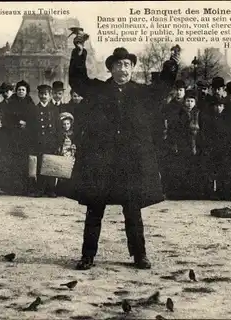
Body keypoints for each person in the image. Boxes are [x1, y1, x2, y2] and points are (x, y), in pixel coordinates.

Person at [68, 38, 177, 270]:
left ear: (132, 68)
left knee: (132, 210)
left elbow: (163, 88)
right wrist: (79, 53)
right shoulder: (98, 90)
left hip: (130, 163)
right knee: (95, 209)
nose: (123, 69)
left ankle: (139, 255)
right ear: (111, 68)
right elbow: (77, 81)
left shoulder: (141, 93)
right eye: (118, 65)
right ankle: (87, 256)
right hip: (101, 161)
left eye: (127, 65)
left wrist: (171, 65)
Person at [166, 90, 203, 199]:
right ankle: (182, 192)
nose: (189, 103)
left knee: (194, 167)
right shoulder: (178, 113)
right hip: (183, 143)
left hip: (196, 143)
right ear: (184, 102)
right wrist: (175, 143)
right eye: (187, 101)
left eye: (192, 101)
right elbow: (173, 129)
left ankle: (194, 192)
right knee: (183, 167)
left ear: (195, 102)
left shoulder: (198, 113)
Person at [4, 80, 36, 195]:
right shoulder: (11, 102)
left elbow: (34, 119)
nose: (21, 91)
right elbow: (6, 118)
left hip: (26, 137)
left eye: (23, 90)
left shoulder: (30, 103)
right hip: (13, 136)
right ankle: (13, 188)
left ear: (26, 91)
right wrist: (17, 123)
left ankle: (26, 188)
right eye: (19, 90)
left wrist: (27, 124)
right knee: (14, 161)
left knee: (25, 162)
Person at [28, 84, 60, 198]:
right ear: (38, 95)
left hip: (51, 142)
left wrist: (58, 143)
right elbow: (31, 129)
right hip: (39, 142)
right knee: (40, 166)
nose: (43, 96)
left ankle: (50, 190)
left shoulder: (54, 110)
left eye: (45, 94)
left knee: (50, 165)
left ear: (50, 95)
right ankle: (39, 189)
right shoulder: (35, 109)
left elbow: (58, 127)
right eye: (41, 94)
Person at [201, 98, 231, 200]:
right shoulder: (209, 119)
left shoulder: (227, 119)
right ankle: (210, 192)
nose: (218, 108)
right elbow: (206, 133)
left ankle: (222, 191)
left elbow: (229, 135)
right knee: (211, 171)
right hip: (212, 148)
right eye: (216, 106)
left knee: (222, 170)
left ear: (223, 107)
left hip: (224, 148)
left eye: (220, 106)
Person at [55, 112, 77, 198]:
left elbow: (75, 143)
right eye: (64, 124)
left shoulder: (73, 133)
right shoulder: (59, 134)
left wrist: (73, 146)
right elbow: (58, 143)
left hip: (71, 153)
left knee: (70, 170)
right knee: (61, 170)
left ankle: (69, 189)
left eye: (68, 124)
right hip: (62, 153)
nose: (66, 126)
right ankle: (60, 189)